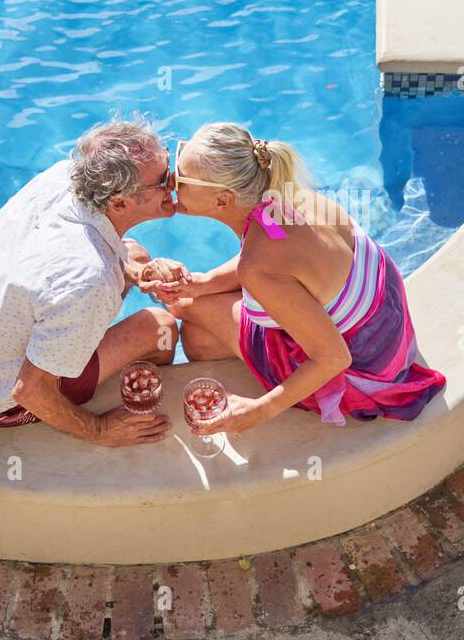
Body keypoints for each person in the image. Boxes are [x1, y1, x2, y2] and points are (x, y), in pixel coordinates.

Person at [155, 122, 446, 434]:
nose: (171, 182)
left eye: (181, 178)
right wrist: (203, 283)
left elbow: (334, 358)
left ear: (223, 201)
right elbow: (280, 248)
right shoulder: (285, 195)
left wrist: (258, 410)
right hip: (388, 326)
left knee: (185, 308)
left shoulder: (258, 267)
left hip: (366, 373)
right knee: (197, 323)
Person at [0, 116, 184, 445]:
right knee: (160, 327)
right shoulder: (88, 278)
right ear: (119, 201)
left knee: (135, 254)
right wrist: (100, 431)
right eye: (163, 180)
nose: (174, 182)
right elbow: (29, 390)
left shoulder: (62, 177)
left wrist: (132, 271)